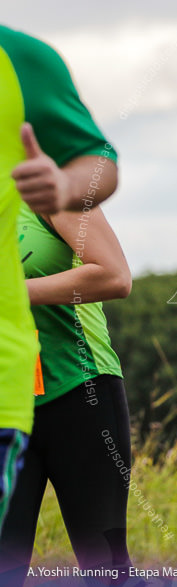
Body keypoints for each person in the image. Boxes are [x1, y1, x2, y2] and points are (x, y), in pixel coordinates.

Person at [0, 24, 118, 535]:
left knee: (104, 561)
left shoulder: (34, 183)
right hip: (11, 391)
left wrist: (11, 294)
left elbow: (114, 275)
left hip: (78, 387)